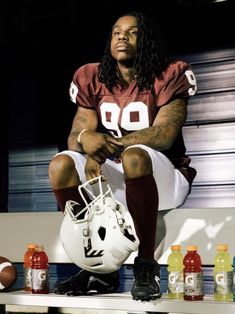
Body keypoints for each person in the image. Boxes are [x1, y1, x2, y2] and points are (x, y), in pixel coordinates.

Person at [48, 10, 197, 301]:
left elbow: (164, 134)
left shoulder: (171, 73)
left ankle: (146, 266)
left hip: (166, 178)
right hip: (121, 177)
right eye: (116, 32)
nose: (121, 37)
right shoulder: (91, 76)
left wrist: (103, 149)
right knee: (61, 164)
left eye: (132, 32)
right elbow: (76, 138)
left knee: (135, 154)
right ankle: (98, 270)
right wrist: (84, 139)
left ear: (148, 40)